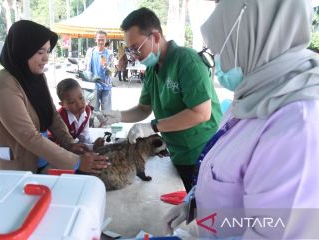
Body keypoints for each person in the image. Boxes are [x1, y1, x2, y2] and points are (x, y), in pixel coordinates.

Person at [165, 0, 319, 238]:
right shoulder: (253, 96)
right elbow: (224, 170)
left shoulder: (297, 125)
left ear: (252, 36)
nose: (219, 65)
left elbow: (273, 232)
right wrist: (194, 202)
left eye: (220, 50)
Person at [100, 7, 222, 192]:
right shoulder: (152, 69)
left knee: (201, 209)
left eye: (136, 48)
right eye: (130, 50)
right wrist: (118, 116)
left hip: (201, 153)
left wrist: (153, 127)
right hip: (176, 152)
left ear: (155, 37)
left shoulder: (186, 60)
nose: (134, 56)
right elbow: (143, 109)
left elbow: (201, 113)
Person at [0, 20, 109, 174]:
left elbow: (52, 115)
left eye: (48, 51)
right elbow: (28, 136)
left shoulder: (36, 77)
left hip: (42, 159)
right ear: (22, 50)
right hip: (14, 168)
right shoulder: (2, 85)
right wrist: (76, 162)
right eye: (40, 52)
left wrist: (69, 143)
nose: (46, 58)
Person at [55, 78, 91, 143]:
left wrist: (93, 146)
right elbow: (62, 142)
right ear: (63, 105)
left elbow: (84, 135)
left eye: (81, 98)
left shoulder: (87, 110)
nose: (79, 104)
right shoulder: (59, 118)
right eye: (72, 102)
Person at [85, 30, 113, 111]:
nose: (101, 42)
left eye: (103, 40)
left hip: (106, 86)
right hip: (93, 86)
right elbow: (86, 66)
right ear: (95, 39)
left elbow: (113, 71)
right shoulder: (90, 52)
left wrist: (107, 67)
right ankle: (95, 124)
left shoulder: (109, 54)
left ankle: (105, 124)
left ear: (106, 40)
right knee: (94, 110)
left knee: (106, 111)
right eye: (99, 39)